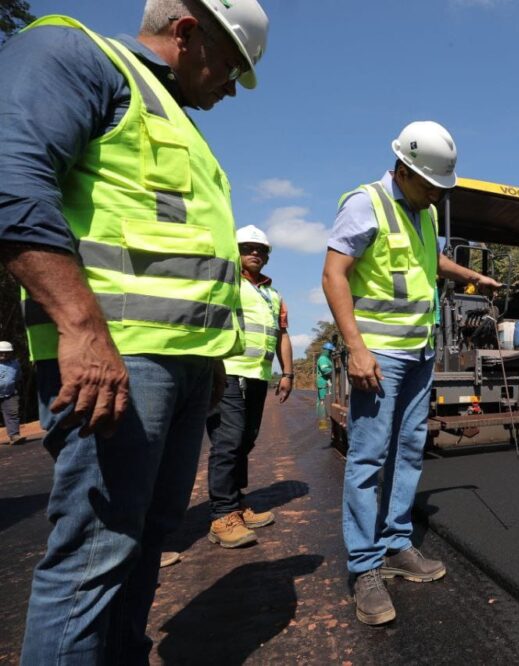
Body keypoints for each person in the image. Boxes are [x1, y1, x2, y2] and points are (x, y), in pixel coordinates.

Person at [0, 0, 269, 661]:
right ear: (187, 34)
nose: (232, 87)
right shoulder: (77, 57)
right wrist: (81, 326)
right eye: (231, 67)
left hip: (181, 372)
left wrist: (209, 366)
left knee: (148, 537)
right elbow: (12, 177)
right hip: (117, 361)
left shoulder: (177, 123)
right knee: (95, 553)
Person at [322, 120, 502, 625]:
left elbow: (432, 262)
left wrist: (472, 277)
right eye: (430, 186)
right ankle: (364, 567)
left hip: (419, 353)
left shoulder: (422, 214)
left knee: (406, 450)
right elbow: (333, 273)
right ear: (403, 169)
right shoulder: (365, 204)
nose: (435, 196)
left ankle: (397, 544)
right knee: (368, 457)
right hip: (379, 359)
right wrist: (355, 349)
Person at [206, 224, 293, 548]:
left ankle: (236, 503)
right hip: (226, 372)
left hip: (257, 376)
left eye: (261, 249)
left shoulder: (273, 295)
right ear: (235, 250)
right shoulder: (226, 282)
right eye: (247, 248)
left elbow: (281, 335)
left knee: (245, 440)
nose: (255, 253)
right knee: (227, 441)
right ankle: (222, 515)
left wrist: (287, 374)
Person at [0, 341, 25, 446]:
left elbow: (18, 377)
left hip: (9, 394)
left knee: (12, 414)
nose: (4, 355)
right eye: (1, 352)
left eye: (7, 352)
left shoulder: (15, 364)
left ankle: (14, 436)